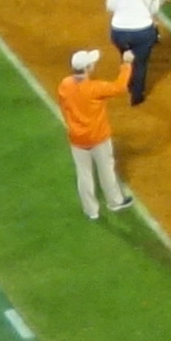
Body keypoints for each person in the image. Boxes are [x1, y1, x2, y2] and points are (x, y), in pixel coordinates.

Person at [60, 49, 134, 219]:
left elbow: (63, 105)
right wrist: (127, 64)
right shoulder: (95, 88)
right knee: (106, 169)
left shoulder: (65, 84)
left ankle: (91, 210)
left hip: (77, 138)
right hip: (98, 137)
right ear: (87, 68)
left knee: (84, 174)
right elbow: (119, 87)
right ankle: (115, 202)